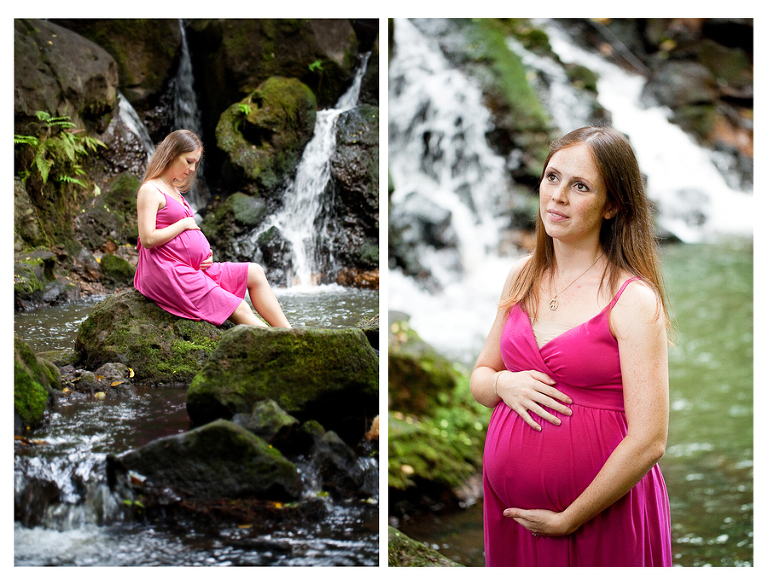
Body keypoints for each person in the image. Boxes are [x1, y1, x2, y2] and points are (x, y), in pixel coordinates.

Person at [470, 126, 672, 566]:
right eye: (552, 177)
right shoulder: (522, 276)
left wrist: (570, 518)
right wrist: (504, 384)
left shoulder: (634, 300)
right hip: (513, 520)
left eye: (579, 186)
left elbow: (650, 439)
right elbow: (480, 378)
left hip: (600, 517)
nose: (557, 196)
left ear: (612, 205)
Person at [134, 129, 290, 328]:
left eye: (195, 163)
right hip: (169, 272)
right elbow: (147, 239)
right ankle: (283, 349)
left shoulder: (174, 190)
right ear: (171, 154)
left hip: (190, 267)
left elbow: (182, 239)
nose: (192, 169)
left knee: (255, 272)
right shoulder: (150, 189)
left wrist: (201, 255)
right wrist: (184, 224)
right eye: (189, 161)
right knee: (240, 307)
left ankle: (291, 335)